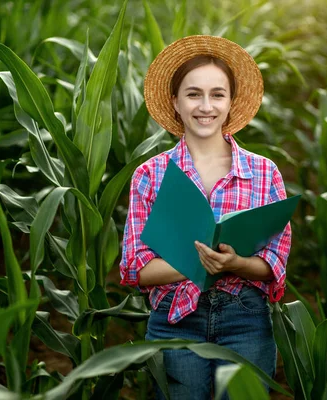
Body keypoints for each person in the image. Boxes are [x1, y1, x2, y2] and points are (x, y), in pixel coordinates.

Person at [119, 35, 292, 399]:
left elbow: (275, 261)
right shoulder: (150, 175)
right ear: (175, 102)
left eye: (218, 94)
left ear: (230, 103)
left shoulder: (264, 173)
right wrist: (202, 263)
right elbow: (136, 267)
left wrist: (237, 263)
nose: (206, 106)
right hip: (174, 321)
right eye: (193, 94)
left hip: (245, 319)